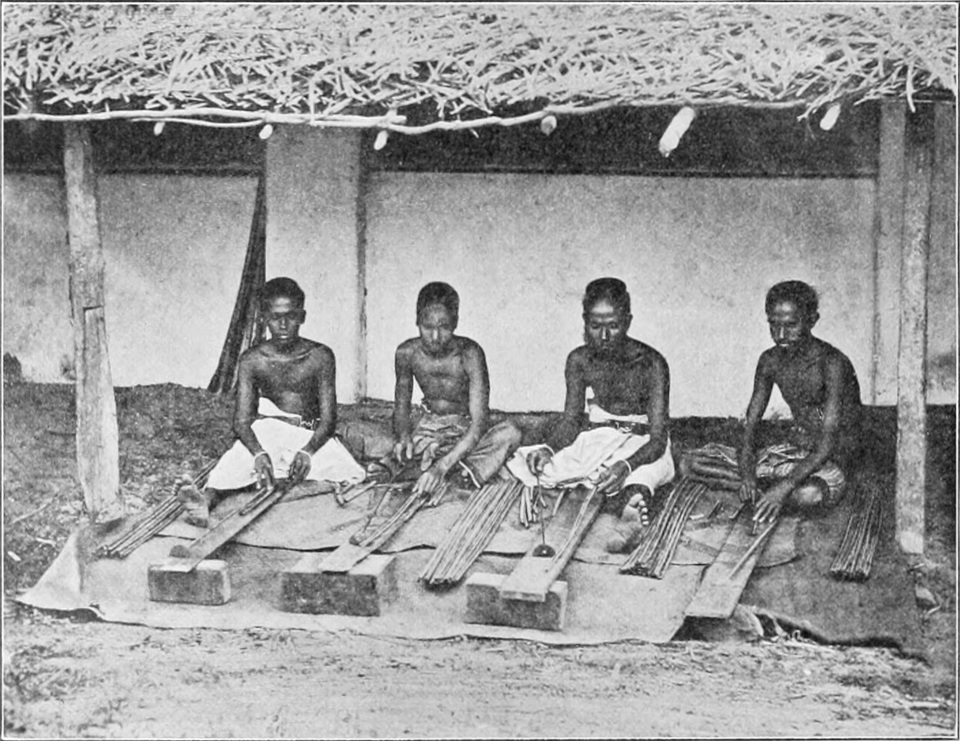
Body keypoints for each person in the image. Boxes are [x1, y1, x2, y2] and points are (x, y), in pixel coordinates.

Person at [177, 277, 364, 526]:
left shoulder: (320, 357)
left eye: (290, 316)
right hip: (268, 432)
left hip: (307, 435)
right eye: (275, 318)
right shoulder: (252, 359)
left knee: (349, 472)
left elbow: (328, 420)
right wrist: (258, 453)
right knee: (233, 463)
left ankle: (285, 482)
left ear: (302, 317)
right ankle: (205, 501)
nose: (283, 325)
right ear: (264, 318)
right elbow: (242, 422)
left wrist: (308, 451)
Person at [507, 278, 675, 553]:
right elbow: (572, 421)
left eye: (613, 325)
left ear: (628, 321)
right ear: (584, 322)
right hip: (599, 438)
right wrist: (549, 448)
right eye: (595, 326)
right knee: (536, 466)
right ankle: (622, 499)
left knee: (645, 475)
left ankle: (632, 510)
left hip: (641, 442)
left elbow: (658, 438)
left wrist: (626, 465)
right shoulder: (579, 360)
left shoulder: (652, 363)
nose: (604, 336)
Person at [687, 280, 863, 527]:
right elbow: (749, 428)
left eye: (791, 325)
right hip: (793, 452)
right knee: (690, 464)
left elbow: (828, 443)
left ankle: (771, 492)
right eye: (773, 325)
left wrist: (783, 488)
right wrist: (747, 476)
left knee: (809, 495)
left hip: (829, 458)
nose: (780, 335)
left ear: (812, 320)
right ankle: (760, 489)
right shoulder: (769, 361)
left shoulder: (832, 364)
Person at [374, 281, 522, 495]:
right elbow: (401, 409)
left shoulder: (470, 354)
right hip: (428, 427)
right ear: (417, 321)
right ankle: (458, 467)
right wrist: (404, 437)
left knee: (510, 434)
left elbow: (479, 424)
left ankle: (450, 468)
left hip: (465, 430)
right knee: (369, 436)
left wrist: (440, 468)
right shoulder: (406, 353)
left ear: (455, 323)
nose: (435, 337)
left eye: (443, 327)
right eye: (427, 327)